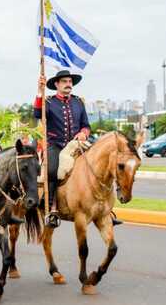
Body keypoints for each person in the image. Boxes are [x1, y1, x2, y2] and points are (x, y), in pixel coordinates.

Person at [34, 70, 122, 228]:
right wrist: (40, 92)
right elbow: (36, 113)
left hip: (77, 145)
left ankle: (106, 210)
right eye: (65, 82)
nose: (69, 84)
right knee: (53, 169)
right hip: (57, 145)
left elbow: (86, 125)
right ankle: (51, 208)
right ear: (56, 85)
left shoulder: (78, 102)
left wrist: (83, 133)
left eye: (70, 81)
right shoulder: (49, 102)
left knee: (103, 164)